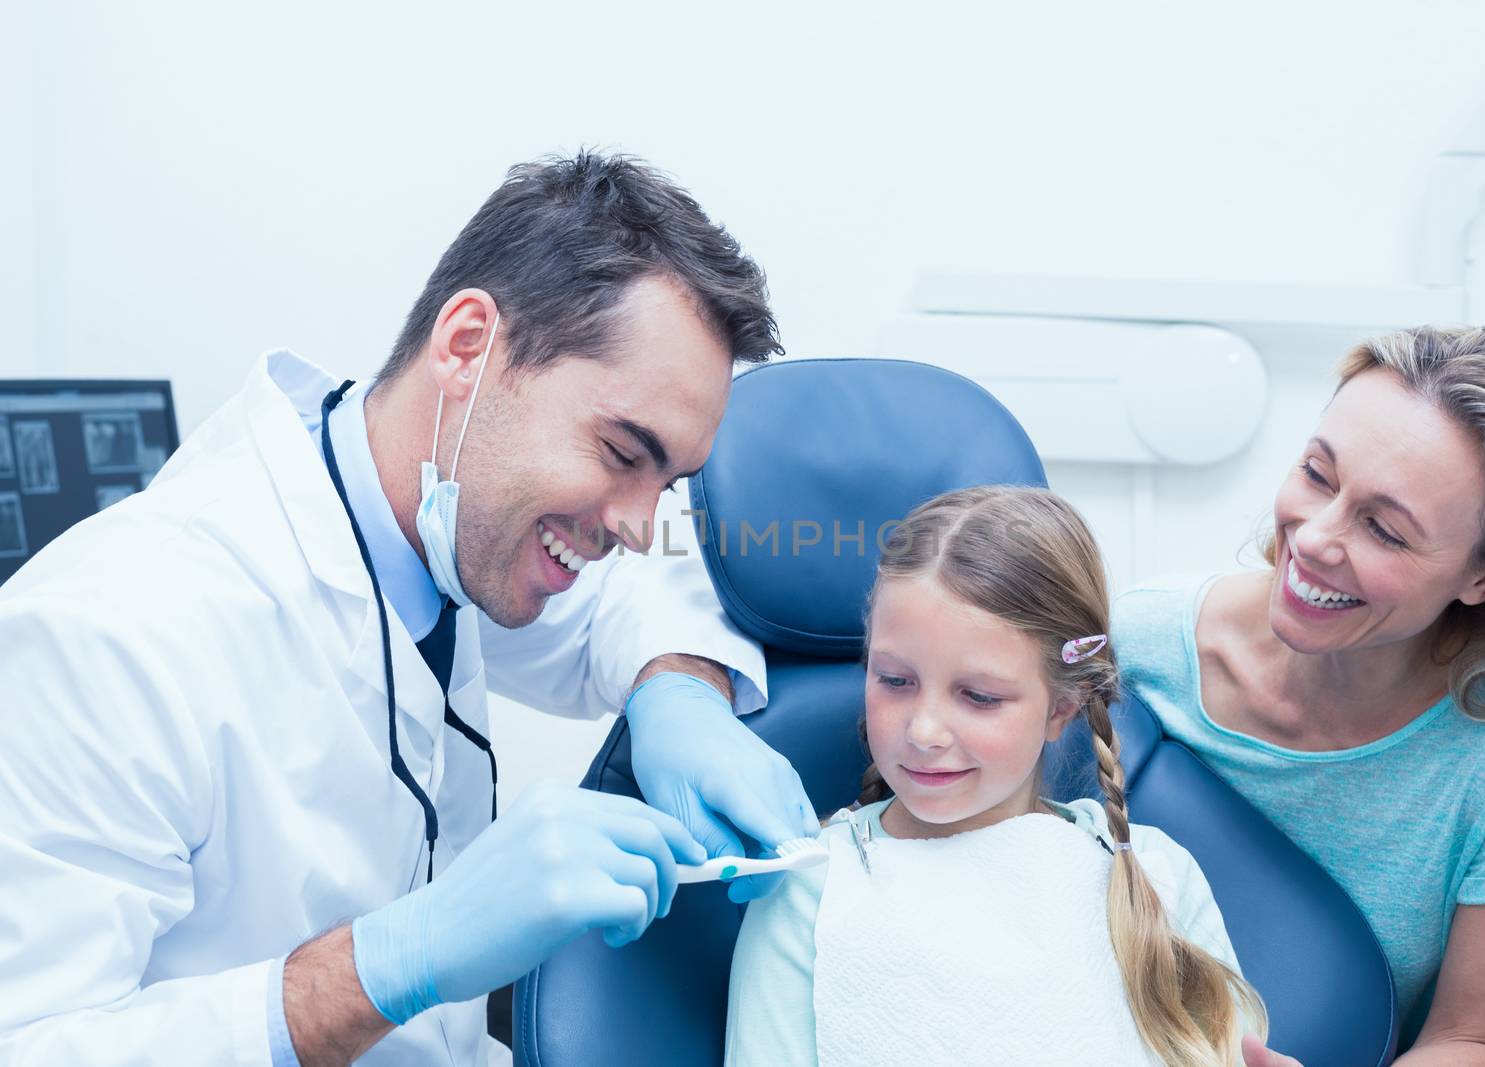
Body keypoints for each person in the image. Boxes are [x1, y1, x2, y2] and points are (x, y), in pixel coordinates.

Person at [0, 152, 818, 1066]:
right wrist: (390, 962)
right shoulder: (113, 634)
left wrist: (683, 695)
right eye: (625, 452)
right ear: (468, 346)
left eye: (668, 481)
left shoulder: (448, 533)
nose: (637, 525)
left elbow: (636, 599)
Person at [1114, 326, 1485, 1066]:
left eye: (1384, 528)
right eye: (1317, 473)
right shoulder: (1135, 647)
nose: (1313, 538)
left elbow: (1473, 1037)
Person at [726, 486, 1266, 1067]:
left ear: (1061, 707)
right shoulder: (810, 890)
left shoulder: (1155, 878)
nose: (924, 731)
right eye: (894, 680)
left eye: (979, 697)